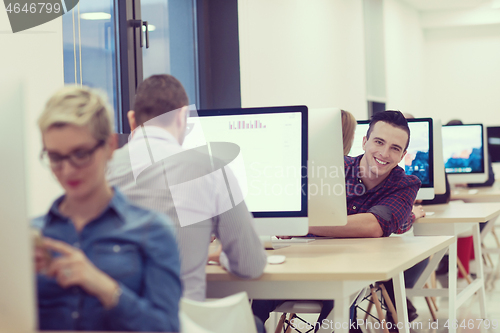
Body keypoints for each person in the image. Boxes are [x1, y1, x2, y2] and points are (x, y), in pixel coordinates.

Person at [106, 75, 267, 330]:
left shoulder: (102, 170)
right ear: (183, 117)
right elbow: (250, 265)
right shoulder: (211, 168)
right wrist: (216, 255)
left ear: (132, 120)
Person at [33, 86, 182, 332]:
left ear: (110, 146)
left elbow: (166, 328)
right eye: (55, 158)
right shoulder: (32, 235)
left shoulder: (152, 230)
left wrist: (105, 287)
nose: (67, 170)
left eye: (80, 154)